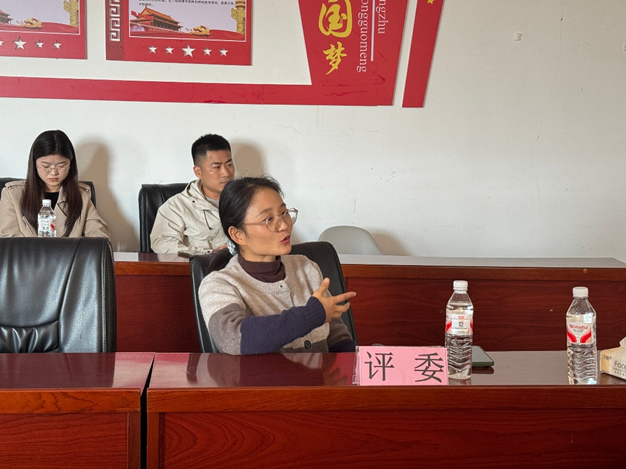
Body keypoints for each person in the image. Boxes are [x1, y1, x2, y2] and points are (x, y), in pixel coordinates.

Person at [198, 176, 357, 355]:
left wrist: (360, 363)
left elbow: (336, 336)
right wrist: (311, 315)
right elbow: (234, 338)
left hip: (321, 373)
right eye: (268, 219)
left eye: (284, 213)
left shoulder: (306, 267)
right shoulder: (219, 285)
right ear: (237, 235)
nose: (284, 225)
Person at [0, 130, 109, 238]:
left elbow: (100, 237)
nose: (53, 172)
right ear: (34, 163)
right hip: (29, 251)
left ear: (70, 164)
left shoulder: (81, 195)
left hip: (69, 251)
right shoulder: (12, 195)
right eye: (45, 166)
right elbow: (8, 242)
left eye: (61, 165)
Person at [150, 134, 235, 253]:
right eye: (217, 167)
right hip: (198, 265)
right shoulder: (176, 206)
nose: (226, 173)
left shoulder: (248, 200)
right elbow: (163, 246)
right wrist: (208, 254)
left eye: (229, 165)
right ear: (198, 172)